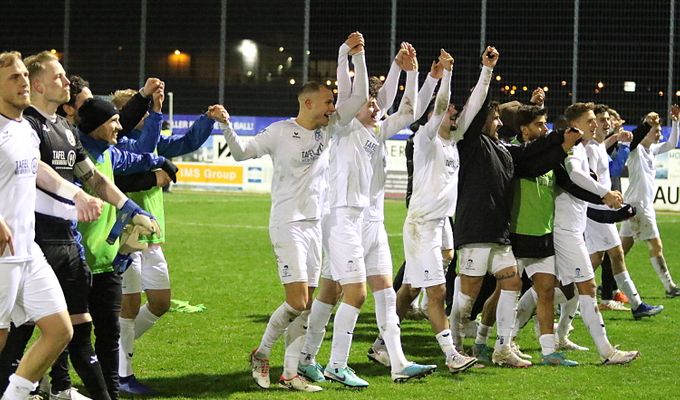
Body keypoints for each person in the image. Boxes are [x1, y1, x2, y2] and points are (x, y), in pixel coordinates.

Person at [222, 33, 368, 393]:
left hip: (314, 224)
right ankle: (262, 353)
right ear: (307, 102)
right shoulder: (279, 132)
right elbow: (242, 153)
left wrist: (351, 55)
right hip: (287, 223)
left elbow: (360, 96)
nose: (333, 107)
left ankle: (290, 373)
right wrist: (225, 124)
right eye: (327, 102)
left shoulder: (329, 130)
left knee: (305, 306)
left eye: (333, 102)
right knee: (297, 301)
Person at [297, 42, 436, 387]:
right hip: (343, 219)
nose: (376, 107)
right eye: (370, 103)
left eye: (376, 103)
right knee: (354, 294)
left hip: (370, 223)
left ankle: (397, 362)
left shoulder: (376, 129)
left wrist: (414, 71)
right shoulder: (342, 128)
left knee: (359, 292)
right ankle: (336, 364)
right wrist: (350, 54)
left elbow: (409, 110)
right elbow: (356, 93)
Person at [0, 50, 102, 400]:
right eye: (14, 77)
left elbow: (38, 173)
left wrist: (76, 197)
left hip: (29, 251)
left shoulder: (23, 129)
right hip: (2, 255)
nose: (23, 82)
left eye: (24, 77)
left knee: (59, 330)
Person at [109, 88, 223, 395]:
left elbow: (185, 142)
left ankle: (116, 348)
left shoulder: (151, 138)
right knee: (129, 307)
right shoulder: (120, 144)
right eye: (141, 111)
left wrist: (206, 120)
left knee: (159, 302)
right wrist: (157, 112)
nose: (146, 115)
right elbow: (144, 153)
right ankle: (122, 373)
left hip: (154, 237)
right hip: (127, 235)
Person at [396, 48, 486, 373]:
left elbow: (474, 106)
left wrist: (486, 70)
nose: (454, 115)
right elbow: (438, 106)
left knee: (412, 287)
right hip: (422, 223)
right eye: (450, 112)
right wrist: (446, 74)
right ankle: (451, 355)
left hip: (439, 223)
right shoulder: (426, 138)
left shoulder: (452, 140)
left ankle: (383, 342)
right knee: (438, 290)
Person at [76, 97, 167, 400]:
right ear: (94, 125)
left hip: (107, 261)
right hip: (75, 260)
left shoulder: (110, 154)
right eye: (112, 121)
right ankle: (53, 387)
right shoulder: (75, 157)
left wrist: (158, 160)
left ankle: (109, 393)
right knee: (67, 334)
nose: (119, 126)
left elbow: (139, 156)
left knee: (108, 336)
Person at [552, 102, 639, 364]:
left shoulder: (585, 147)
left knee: (547, 289)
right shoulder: (575, 149)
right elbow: (577, 175)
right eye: (590, 120)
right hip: (565, 229)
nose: (595, 125)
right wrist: (605, 195)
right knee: (586, 285)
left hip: (574, 228)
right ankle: (607, 351)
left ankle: (513, 339)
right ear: (575, 124)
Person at [585, 104, 663, 319]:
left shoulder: (599, 145)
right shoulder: (589, 149)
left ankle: (637, 306)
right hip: (594, 213)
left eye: (607, 119)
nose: (606, 123)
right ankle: (555, 300)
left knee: (614, 256)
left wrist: (623, 138)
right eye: (601, 120)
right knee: (592, 262)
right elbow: (612, 170)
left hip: (600, 210)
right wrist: (625, 146)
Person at [620, 107, 680, 297]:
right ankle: (670, 286)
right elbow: (634, 140)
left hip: (634, 205)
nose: (659, 134)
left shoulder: (651, 150)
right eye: (656, 130)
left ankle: (608, 286)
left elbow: (671, 144)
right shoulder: (635, 149)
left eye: (660, 131)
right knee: (656, 246)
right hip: (639, 207)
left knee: (619, 251)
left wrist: (676, 122)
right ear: (646, 131)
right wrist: (647, 122)